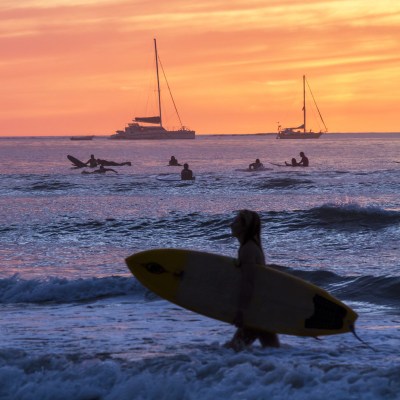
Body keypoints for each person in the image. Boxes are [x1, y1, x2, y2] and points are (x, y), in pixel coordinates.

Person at [225, 210, 280, 351]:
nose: (231, 224)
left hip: (256, 311)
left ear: (244, 227)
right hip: (262, 309)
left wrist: (242, 311)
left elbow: (249, 283)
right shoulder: (251, 246)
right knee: (273, 351)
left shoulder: (248, 249)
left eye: (236, 221)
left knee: (233, 350)